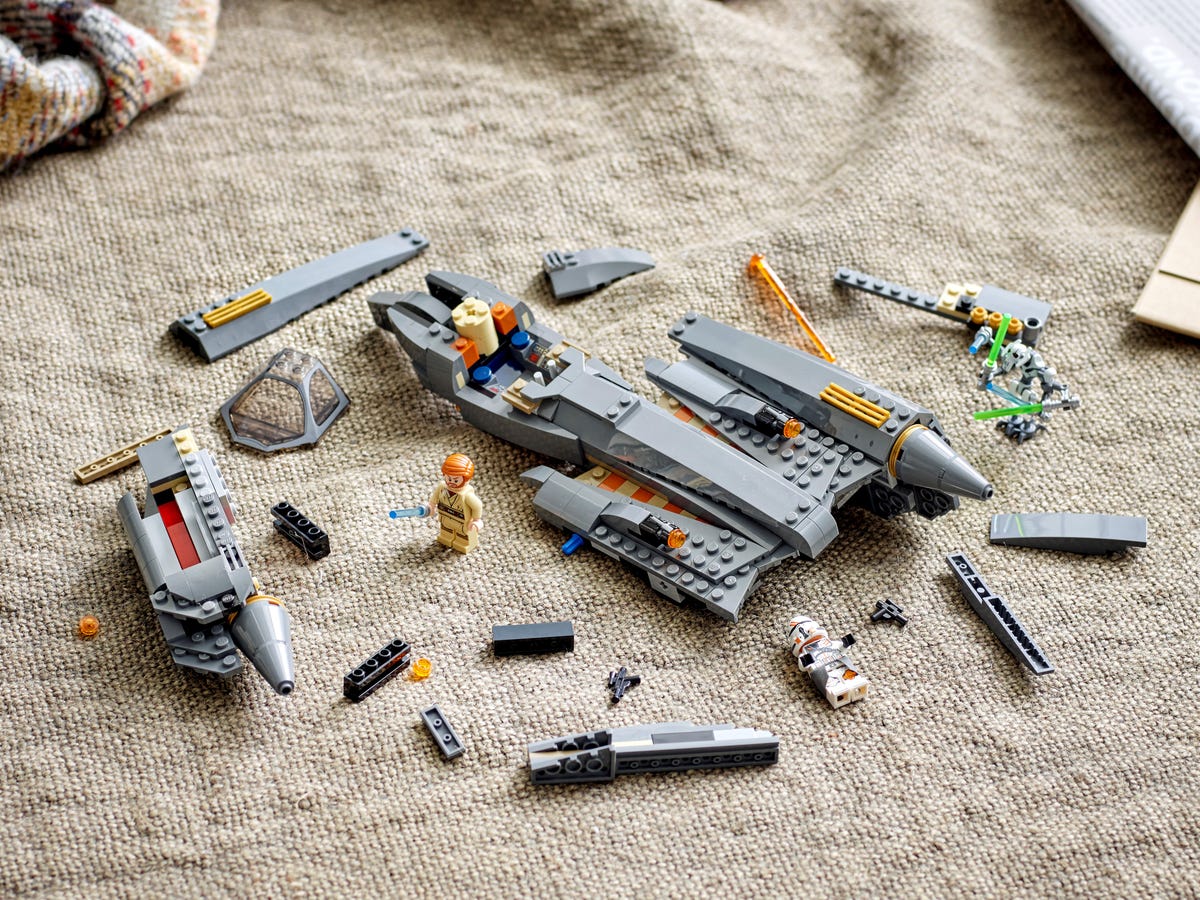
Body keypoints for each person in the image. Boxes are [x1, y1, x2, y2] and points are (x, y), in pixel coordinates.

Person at [426, 453, 483, 554]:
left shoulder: (467, 495)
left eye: (456, 480)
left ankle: (464, 543)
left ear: (466, 479)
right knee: (446, 530)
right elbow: (434, 498)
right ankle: (446, 538)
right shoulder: (442, 488)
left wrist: (476, 520)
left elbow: (477, 506)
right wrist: (431, 506)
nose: (451, 482)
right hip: (445, 517)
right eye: (449, 478)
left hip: (462, 522)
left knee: (463, 536)